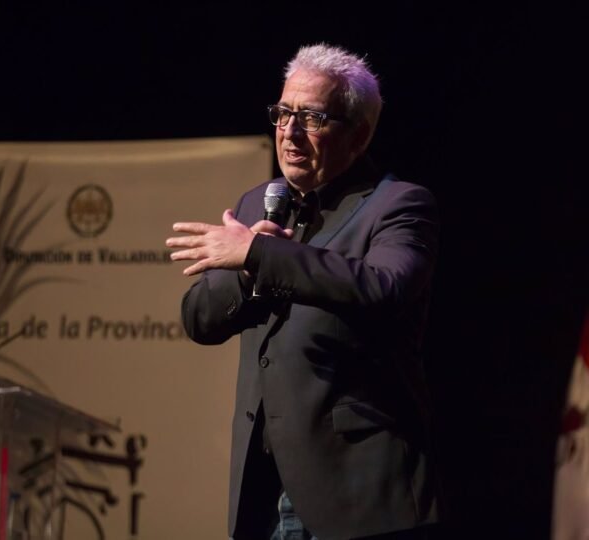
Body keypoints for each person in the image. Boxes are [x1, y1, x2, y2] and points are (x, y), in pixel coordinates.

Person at [166, 43, 440, 540]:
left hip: (356, 492)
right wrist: (249, 275)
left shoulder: (397, 204)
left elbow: (384, 287)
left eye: (312, 118)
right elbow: (199, 320)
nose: (290, 133)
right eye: (284, 113)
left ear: (358, 136)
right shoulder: (258, 204)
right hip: (264, 492)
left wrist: (259, 256)